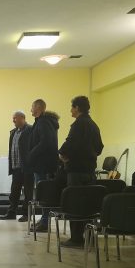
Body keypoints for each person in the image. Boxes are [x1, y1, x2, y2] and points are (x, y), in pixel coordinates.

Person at [59, 95, 104, 247]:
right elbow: (99, 147)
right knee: (89, 204)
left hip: (76, 170)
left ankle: (76, 238)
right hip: (90, 170)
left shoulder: (78, 124)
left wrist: (62, 155)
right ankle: (90, 236)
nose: (70, 110)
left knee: (75, 203)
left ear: (77, 108)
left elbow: (70, 143)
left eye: (72, 107)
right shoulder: (93, 124)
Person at [27, 99, 60, 231]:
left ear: (38, 108)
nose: (30, 110)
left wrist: (31, 154)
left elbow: (45, 142)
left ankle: (45, 222)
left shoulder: (44, 122)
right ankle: (44, 219)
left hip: (43, 164)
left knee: (44, 194)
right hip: (43, 163)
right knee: (43, 193)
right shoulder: (43, 121)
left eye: (32, 107)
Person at [0, 110, 33, 222]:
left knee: (28, 192)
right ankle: (11, 213)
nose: (13, 120)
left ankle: (26, 214)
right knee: (14, 191)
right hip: (16, 167)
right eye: (13, 118)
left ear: (22, 118)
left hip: (27, 167)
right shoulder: (13, 132)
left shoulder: (30, 130)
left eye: (15, 118)